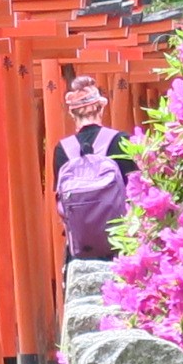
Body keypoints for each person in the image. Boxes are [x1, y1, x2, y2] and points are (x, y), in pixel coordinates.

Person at [54, 72, 135, 262]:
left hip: (80, 248)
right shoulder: (120, 140)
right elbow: (135, 190)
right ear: (100, 109)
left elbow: (59, 200)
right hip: (119, 243)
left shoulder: (62, 149)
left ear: (72, 113)